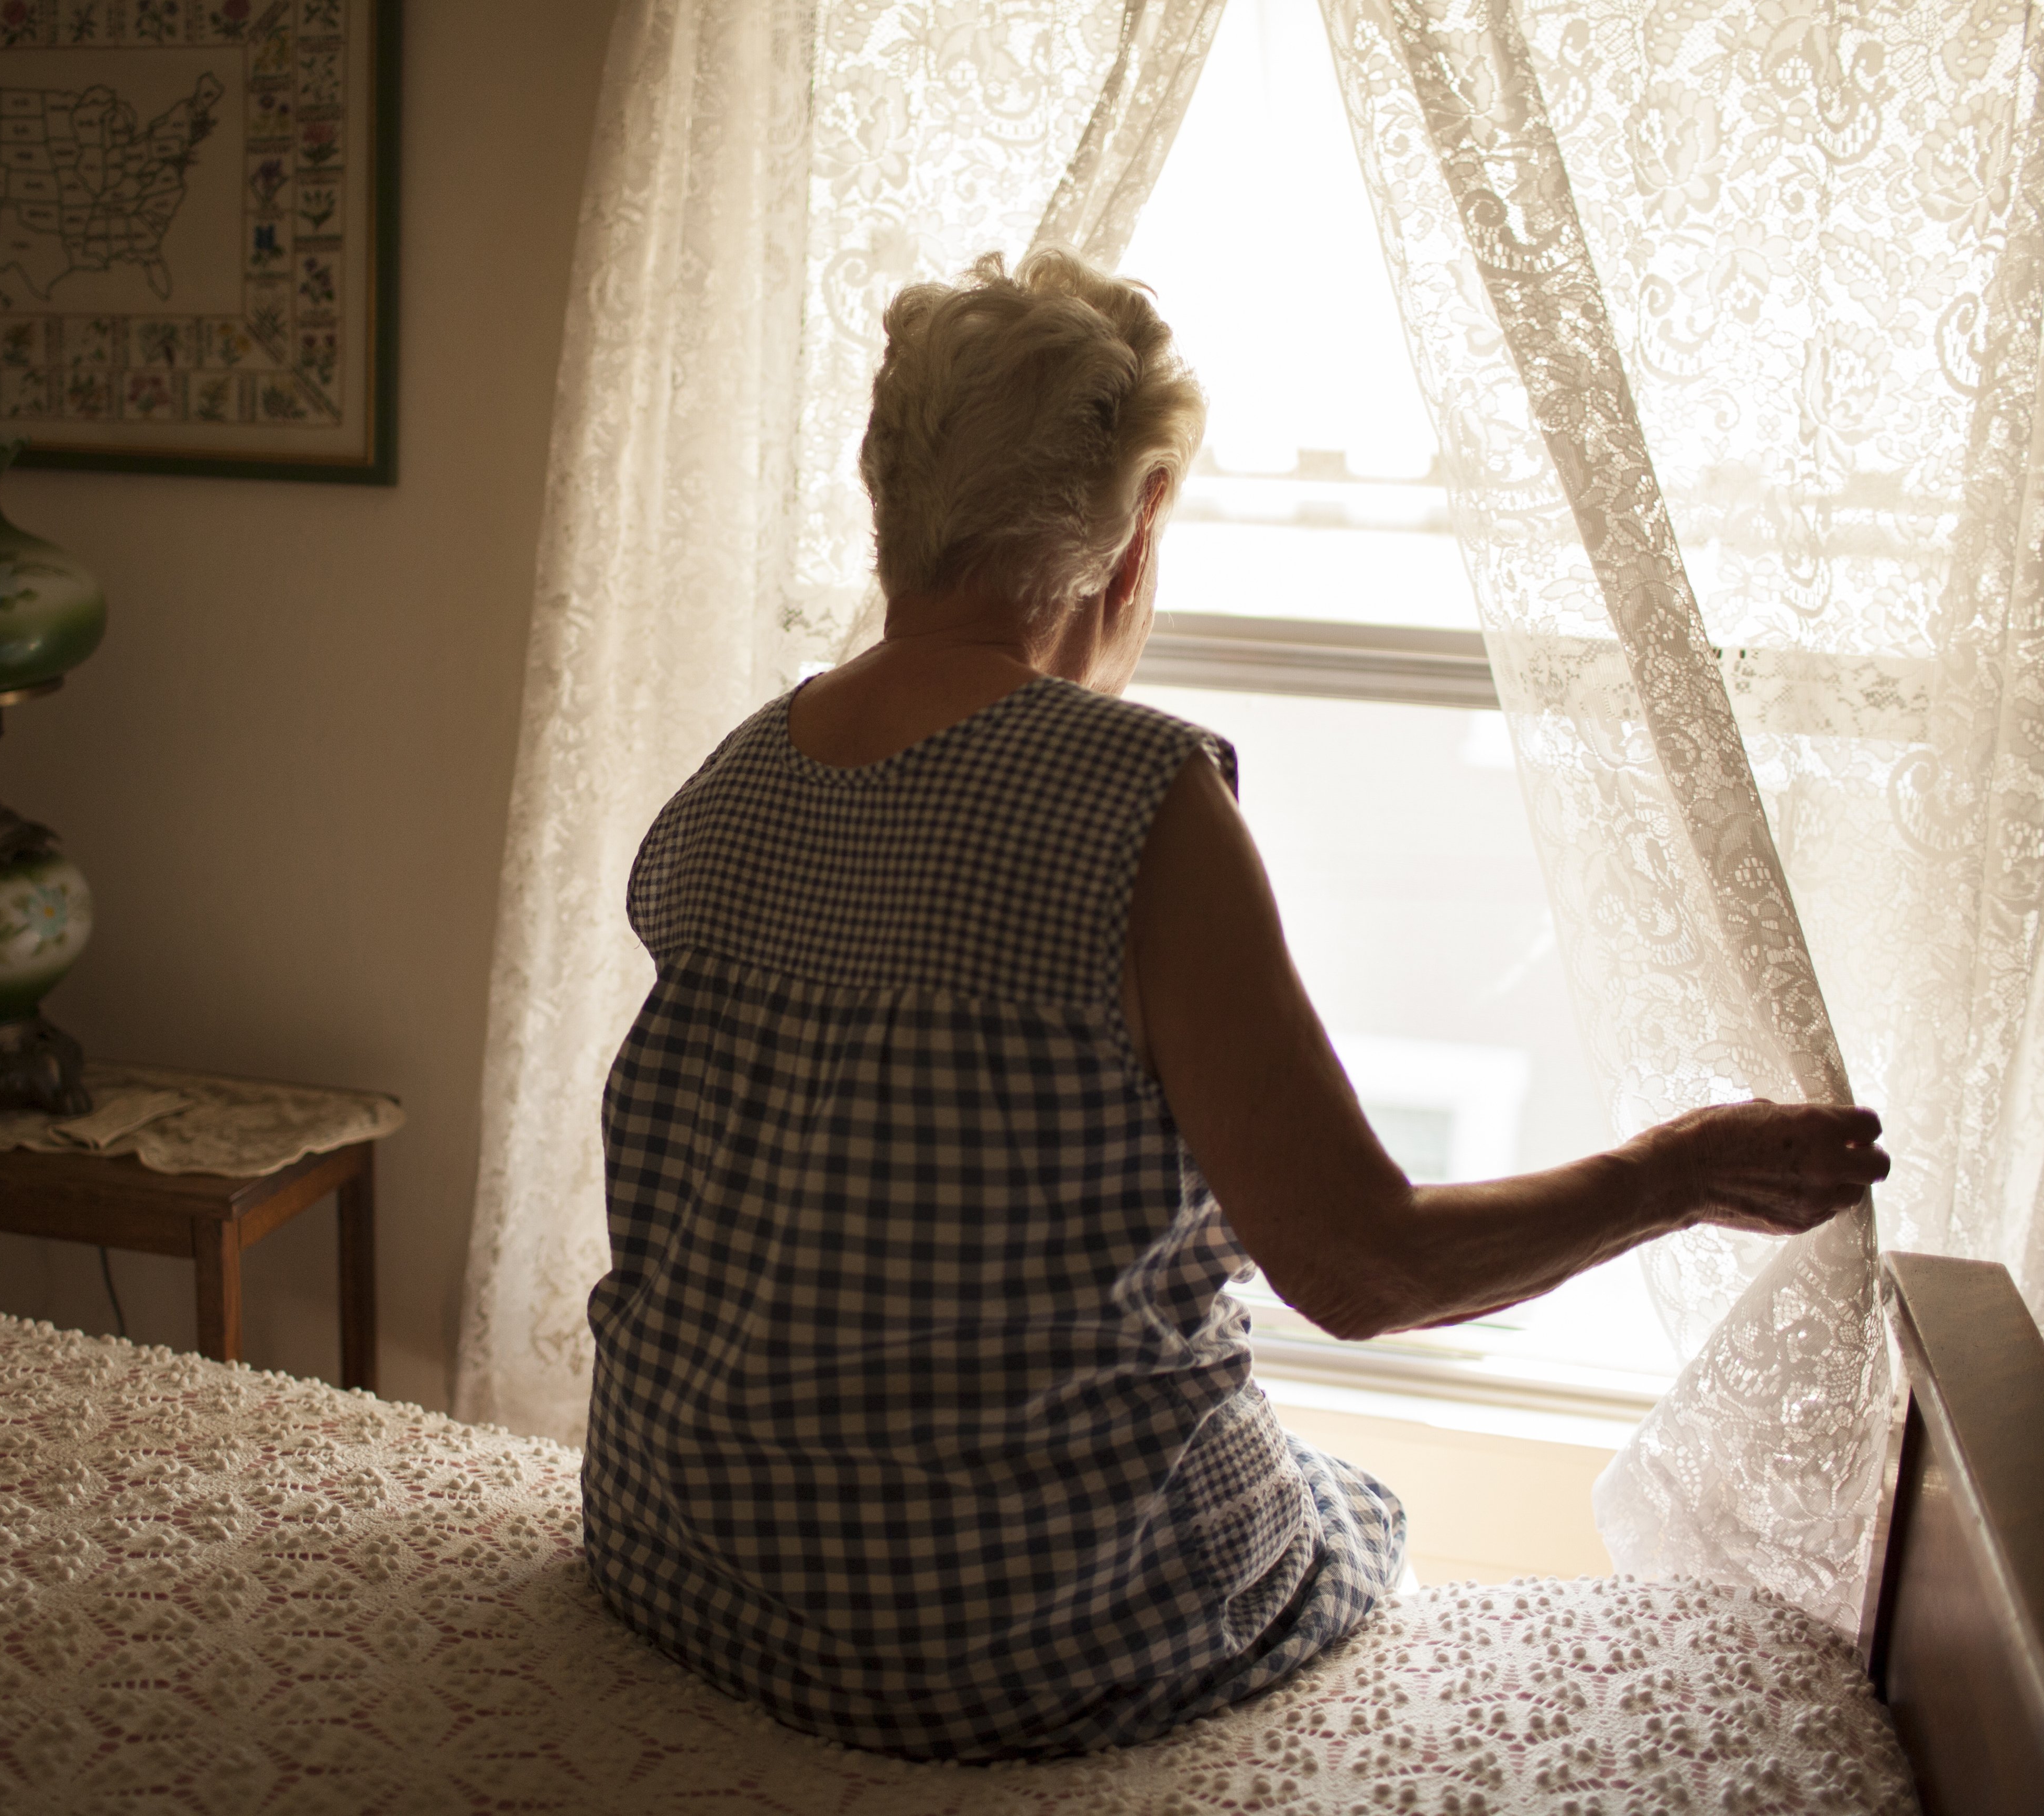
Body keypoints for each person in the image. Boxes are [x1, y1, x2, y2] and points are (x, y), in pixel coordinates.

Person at [579, 247, 1891, 1765]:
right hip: (979, 1633)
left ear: (891, 505)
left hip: (670, 1545)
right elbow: (1360, 1265)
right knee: (1356, 1518)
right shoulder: (1136, 794)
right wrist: (1675, 1172)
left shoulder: (731, 783)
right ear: (1133, 535)